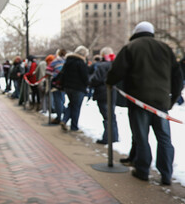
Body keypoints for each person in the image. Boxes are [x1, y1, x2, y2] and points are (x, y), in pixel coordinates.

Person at [106, 21, 183, 185]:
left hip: (138, 100)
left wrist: (110, 82)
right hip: (161, 102)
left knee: (141, 137)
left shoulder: (131, 47)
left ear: (136, 32)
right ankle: (166, 174)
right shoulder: (165, 48)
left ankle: (142, 170)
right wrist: (172, 99)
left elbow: (116, 71)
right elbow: (178, 76)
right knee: (164, 138)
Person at [89, 47, 118, 144]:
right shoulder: (115, 65)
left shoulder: (102, 66)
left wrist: (91, 81)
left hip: (102, 94)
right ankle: (114, 136)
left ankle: (107, 138)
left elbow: (95, 80)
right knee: (112, 116)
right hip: (112, 93)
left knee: (107, 117)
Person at [59, 46, 89, 132]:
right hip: (78, 88)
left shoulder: (68, 61)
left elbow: (63, 74)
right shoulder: (81, 63)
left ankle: (64, 120)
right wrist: (87, 84)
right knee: (76, 107)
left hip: (68, 87)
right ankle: (74, 126)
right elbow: (85, 77)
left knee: (71, 104)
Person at [46, 49, 67, 123]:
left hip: (56, 83)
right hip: (64, 84)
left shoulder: (55, 61)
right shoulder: (67, 61)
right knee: (62, 99)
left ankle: (59, 117)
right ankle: (65, 114)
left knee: (57, 100)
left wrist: (52, 75)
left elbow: (48, 71)